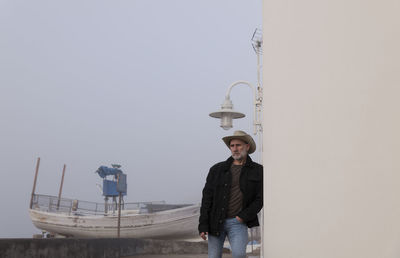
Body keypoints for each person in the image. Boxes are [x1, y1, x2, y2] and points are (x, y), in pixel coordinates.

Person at [198, 130, 263, 258]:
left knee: (239, 255)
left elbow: (260, 198)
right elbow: (207, 198)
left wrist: (243, 216)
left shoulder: (258, 171)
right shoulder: (217, 169)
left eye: (238, 145)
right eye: (232, 146)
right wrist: (203, 225)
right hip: (215, 222)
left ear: (247, 147)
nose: (235, 149)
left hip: (238, 223)